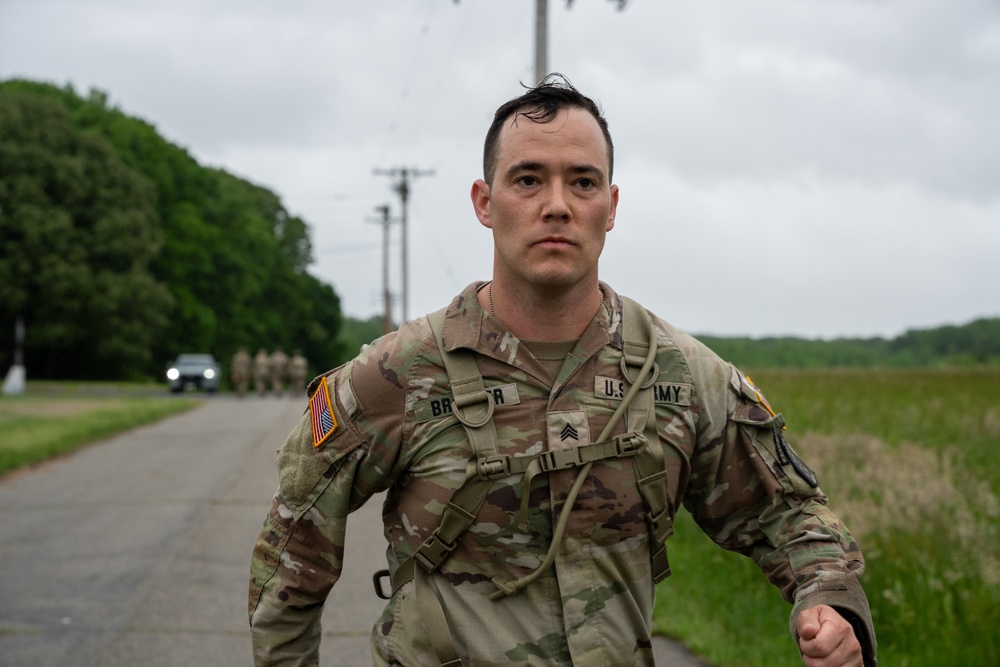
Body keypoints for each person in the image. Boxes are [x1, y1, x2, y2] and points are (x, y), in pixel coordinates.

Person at [248, 75, 876, 667]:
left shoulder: (679, 376)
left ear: (611, 204)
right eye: (528, 179)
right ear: (483, 202)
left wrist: (830, 602)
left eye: (582, 182)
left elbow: (791, 514)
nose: (557, 205)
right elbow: (293, 554)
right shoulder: (398, 374)